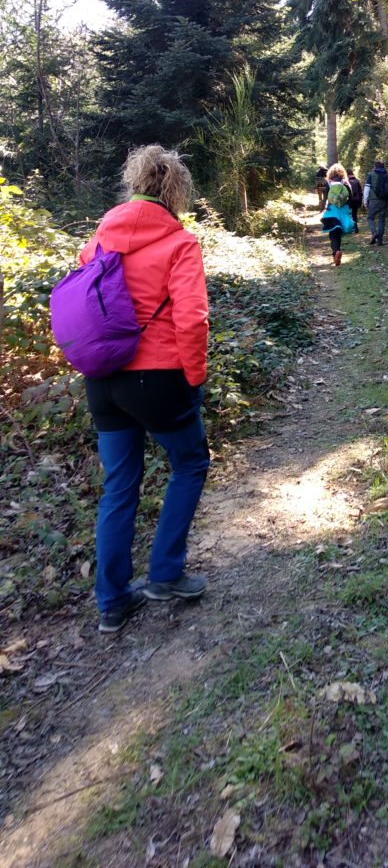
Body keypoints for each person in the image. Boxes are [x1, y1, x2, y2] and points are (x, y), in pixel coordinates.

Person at [80, 145, 210, 634]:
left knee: (119, 486)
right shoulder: (179, 243)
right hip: (157, 377)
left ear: (134, 184)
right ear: (176, 190)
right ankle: (165, 575)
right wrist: (193, 378)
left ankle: (112, 601)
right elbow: (192, 320)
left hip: (103, 380)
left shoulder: (99, 238)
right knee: (191, 462)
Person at [321, 162, 355, 266]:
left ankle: (336, 252)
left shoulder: (328, 184)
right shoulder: (345, 183)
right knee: (338, 234)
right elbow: (351, 199)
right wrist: (347, 207)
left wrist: (324, 207)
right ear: (342, 173)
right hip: (343, 212)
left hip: (332, 212)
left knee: (333, 234)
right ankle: (337, 251)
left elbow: (326, 198)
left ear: (330, 173)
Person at [364, 160, 388, 245]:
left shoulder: (371, 175)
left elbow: (367, 189)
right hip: (384, 201)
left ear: (375, 167)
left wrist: (365, 201)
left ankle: (374, 233)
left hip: (373, 201)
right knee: (381, 220)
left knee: (370, 218)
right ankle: (380, 241)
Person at [346, 167, 363, 233]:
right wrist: (360, 202)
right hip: (356, 200)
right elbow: (360, 192)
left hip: (348, 200)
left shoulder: (345, 181)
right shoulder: (357, 181)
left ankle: (349, 228)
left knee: (347, 214)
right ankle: (356, 228)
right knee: (354, 214)